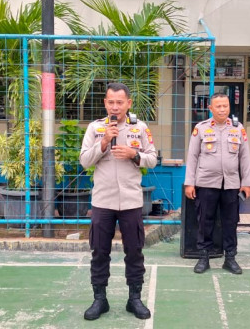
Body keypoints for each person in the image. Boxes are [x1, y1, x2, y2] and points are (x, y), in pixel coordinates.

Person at [79, 82, 157, 321]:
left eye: (120, 102)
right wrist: (103, 144)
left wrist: (135, 155)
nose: (115, 107)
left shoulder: (140, 128)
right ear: (105, 103)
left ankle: (134, 298)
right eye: (111, 102)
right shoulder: (95, 128)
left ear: (128, 103)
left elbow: (153, 158)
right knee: (99, 252)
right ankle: (99, 299)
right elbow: (84, 160)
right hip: (103, 201)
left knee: (134, 251)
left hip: (131, 201)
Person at [184, 92, 250, 275]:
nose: (222, 109)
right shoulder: (201, 128)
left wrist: (246, 182)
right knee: (205, 221)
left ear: (229, 107)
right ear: (211, 108)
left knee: (231, 222)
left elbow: (245, 157)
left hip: (231, 184)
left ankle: (230, 257)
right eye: (218, 106)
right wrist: (189, 183)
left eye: (225, 106)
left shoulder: (238, 129)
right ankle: (203, 256)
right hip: (206, 182)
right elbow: (192, 157)